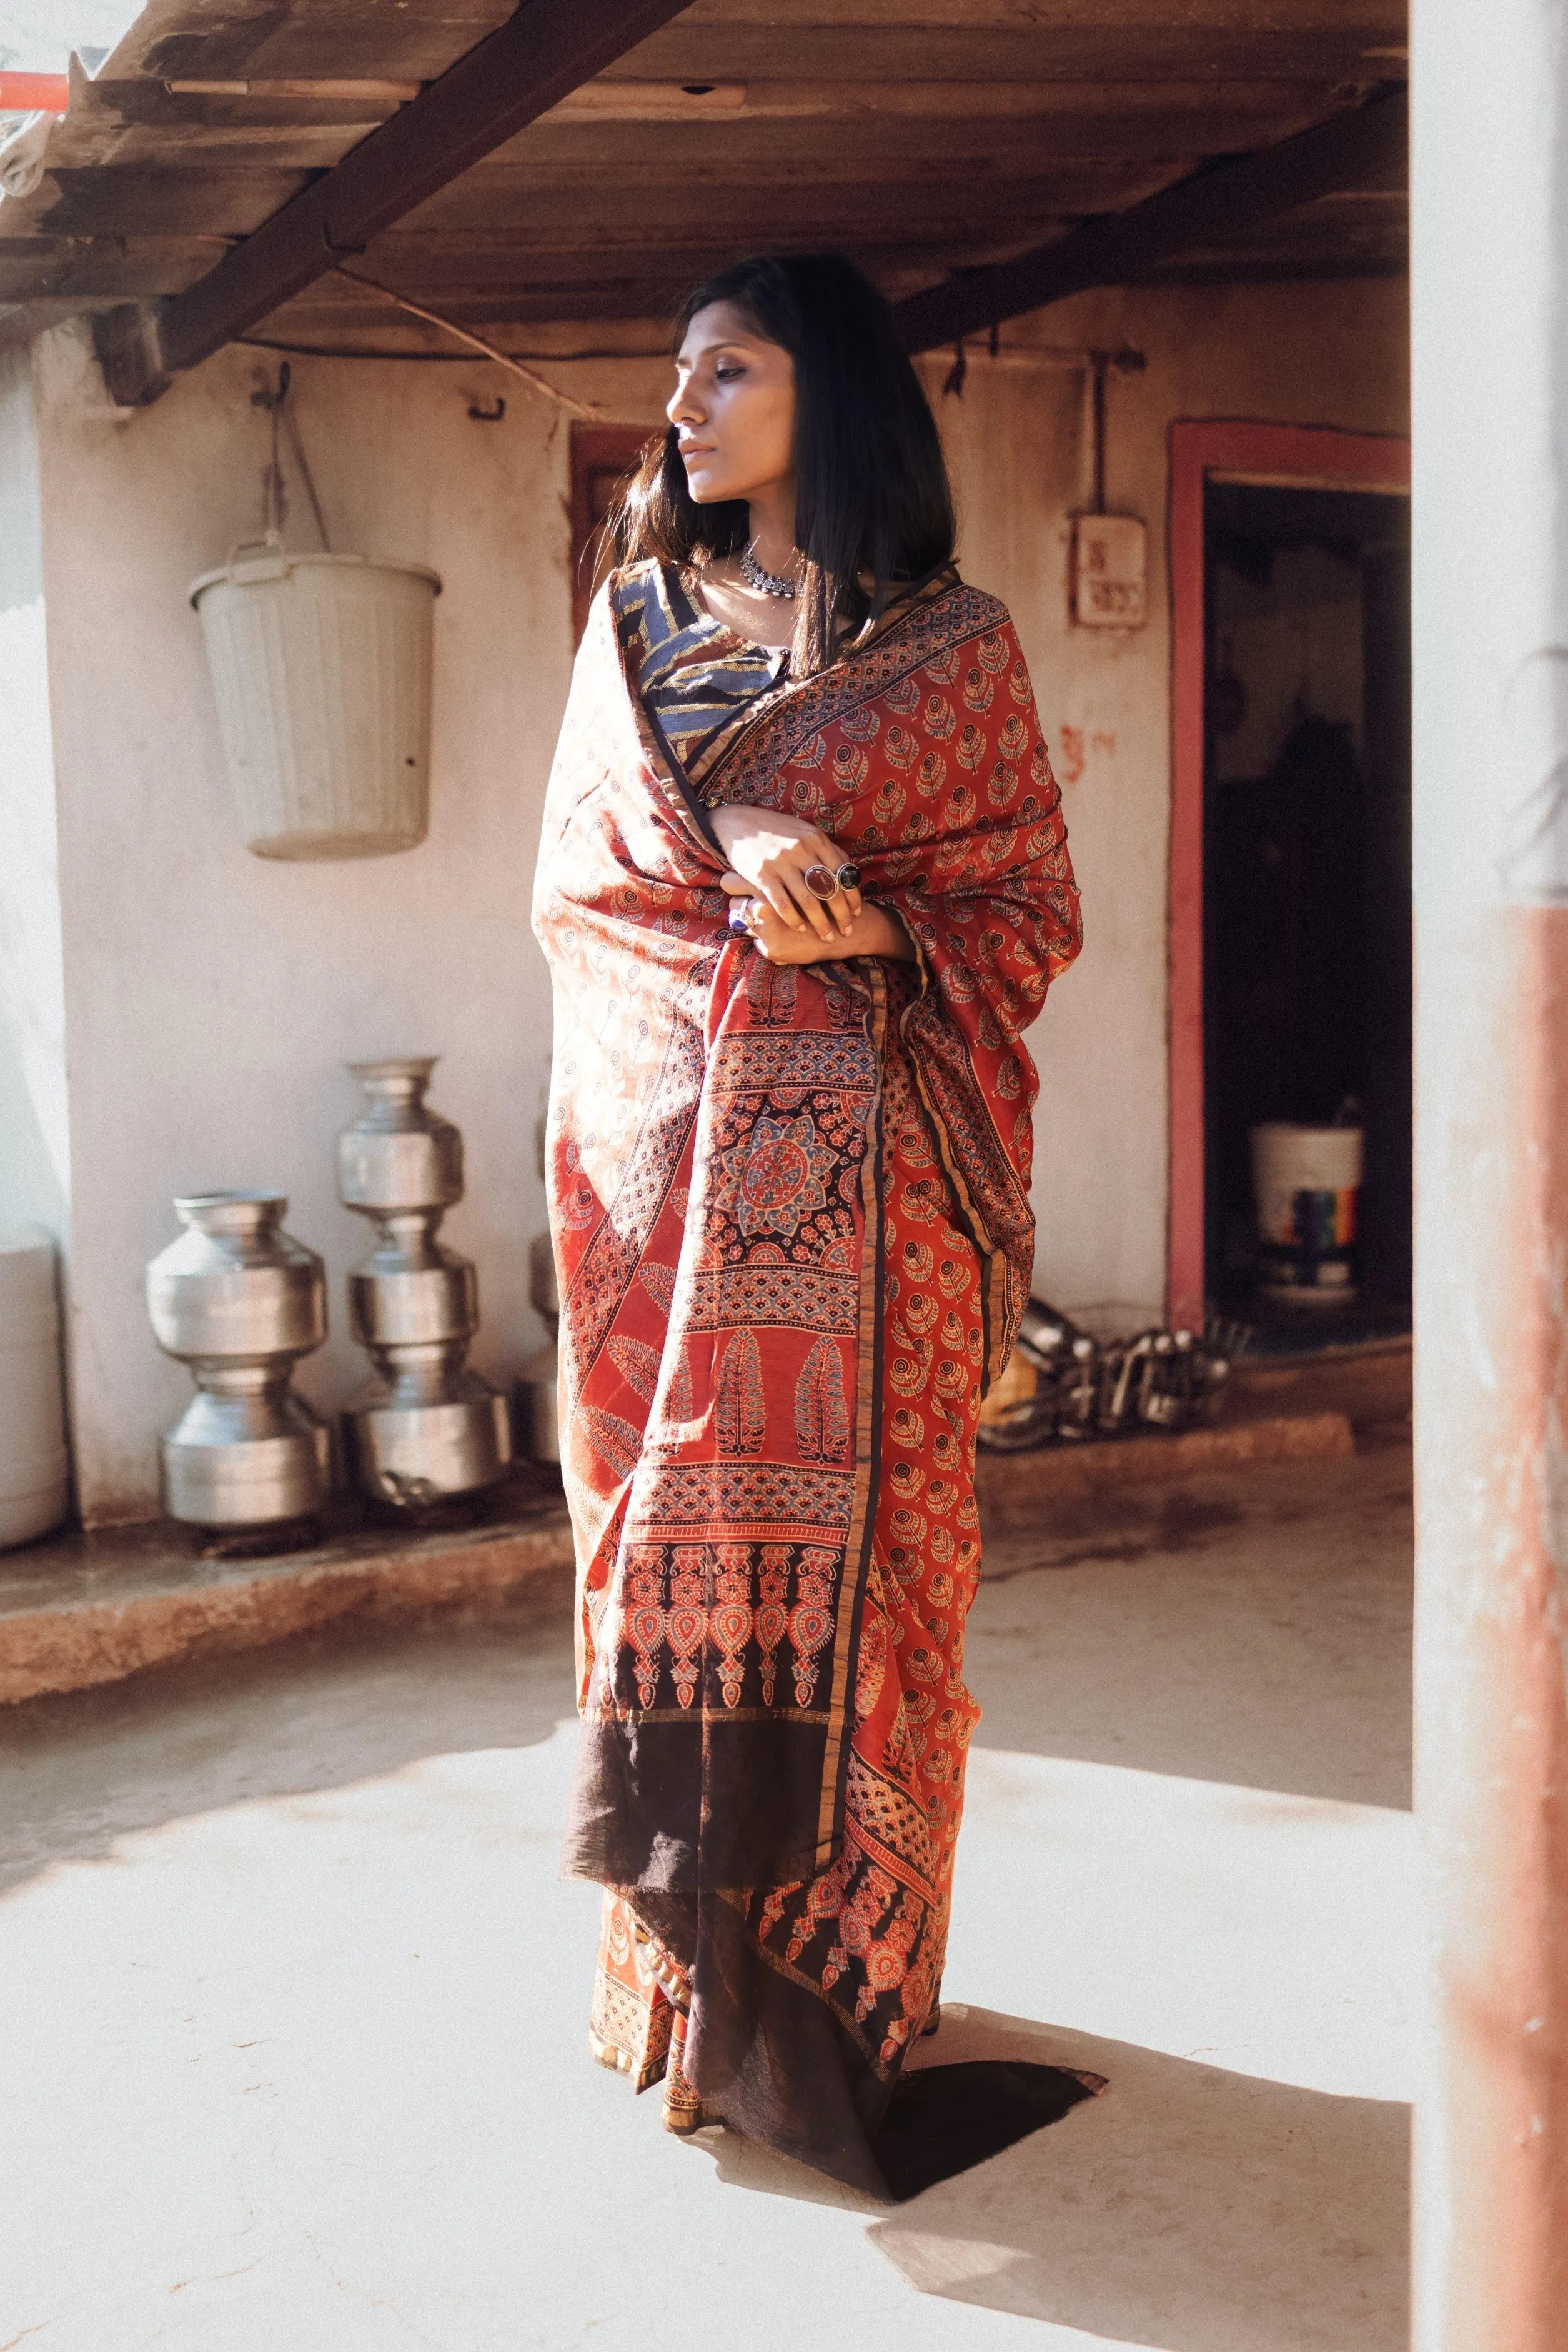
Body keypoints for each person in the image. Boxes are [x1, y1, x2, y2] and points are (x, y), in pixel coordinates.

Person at [532, 252, 1082, 2196]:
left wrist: (882, 928)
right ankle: (681, 2012)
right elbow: (585, 898)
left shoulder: (954, 652)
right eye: (676, 373)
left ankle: (849, 1993)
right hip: (669, 1217)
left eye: (727, 371)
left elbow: (1018, 908)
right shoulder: (636, 627)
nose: (682, 405)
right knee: (662, 1576)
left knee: (879, 1607)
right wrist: (744, 850)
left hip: (879, 1226)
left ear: (823, 397)